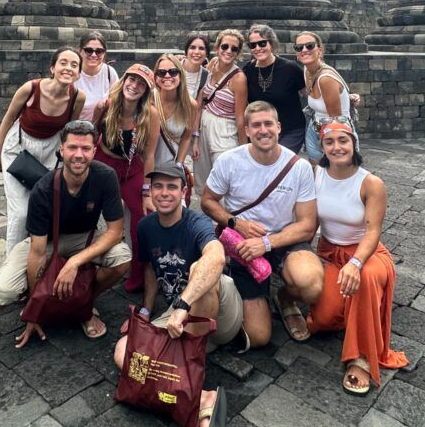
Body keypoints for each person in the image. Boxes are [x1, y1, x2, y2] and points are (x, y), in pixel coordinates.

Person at [113, 162, 237, 426]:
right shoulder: (146, 226)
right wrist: (146, 310)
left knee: (198, 270)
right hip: (178, 320)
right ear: (150, 191)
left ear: (184, 192)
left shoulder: (196, 222)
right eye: (158, 186)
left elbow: (216, 256)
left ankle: (182, 376)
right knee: (124, 352)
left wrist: (183, 304)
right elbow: (149, 268)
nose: (164, 192)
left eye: (172, 186)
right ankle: (201, 396)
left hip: (214, 312)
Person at [0, 120, 132, 344]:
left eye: (85, 148)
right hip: (46, 240)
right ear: (61, 149)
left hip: (84, 237)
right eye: (72, 147)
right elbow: (36, 251)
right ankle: (41, 299)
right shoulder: (43, 189)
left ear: (94, 151)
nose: (79, 155)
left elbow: (115, 231)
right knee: (1, 294)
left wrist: (74, 263)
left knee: (122, 257)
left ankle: (83, 304)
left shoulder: (105, 176)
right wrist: (36, 310)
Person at [201, 101, 324, 348]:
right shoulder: (229, 160)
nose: (263, 130)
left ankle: (284, 298)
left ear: (278, 127)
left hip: (283, 238)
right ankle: (253, 296)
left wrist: (266, 243)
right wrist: (237, 223)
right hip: (243, 243)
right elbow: (207, 202)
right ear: (246, 130)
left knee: (312, 286)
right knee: (258, 337)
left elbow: (308, 224)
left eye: (268, 124)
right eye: (256, 125)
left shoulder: (298, 167)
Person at [306, 118, 408, 395]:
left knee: (365, 278)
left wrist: (355, 262)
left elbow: (373, 231)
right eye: (329, 142)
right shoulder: (315, 174)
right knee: (324, 320)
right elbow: (309, 220)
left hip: (366, 253)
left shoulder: (371, 183)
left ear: (354, 144)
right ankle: (352, 312)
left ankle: (362, 357)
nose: (337, 147)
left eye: (343, 141)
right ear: (322, 146)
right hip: (330, 251)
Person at [0, 47, 87, 250]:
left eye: (74, 65)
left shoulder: (78, 97)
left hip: (51, 153)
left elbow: (69, 129)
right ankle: (13, 261)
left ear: (79, 73)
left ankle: (38, 253)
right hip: (19, 148)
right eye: (63, 63)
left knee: (45, 206)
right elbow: (9, 118)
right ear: (52, 68)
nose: (68, 68)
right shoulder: (31, 88)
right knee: (20, 213)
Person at [93, 63, 160, 292]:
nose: (134, 86)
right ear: (124, 81)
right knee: (91, 210)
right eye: (132, 80)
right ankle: (87, 262)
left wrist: (147, 190)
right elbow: (92, 135)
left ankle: (138, 271)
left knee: (142, 216)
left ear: (146, 90)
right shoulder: (106, 106)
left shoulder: (150, 113)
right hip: (105, 163)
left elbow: (149, 154)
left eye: (141, 83)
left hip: (132, 168)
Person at [193, 29, 247, 187]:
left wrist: (244, 151)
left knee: (224, 178)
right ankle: (206, 212)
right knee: (203, 180)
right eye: (225, 46)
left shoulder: (238, 79)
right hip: (204, 124)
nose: (228, 51)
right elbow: (200, 103)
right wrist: (195, 138)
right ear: (217, 48)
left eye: (234, 48)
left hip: (224, 130)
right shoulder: (212, 64)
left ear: (238, 53)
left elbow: (240, 118)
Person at [242, 24, 307, 153]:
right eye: (252, 45)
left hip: (290, 129)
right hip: (262, 130)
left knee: (280, 161)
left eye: (262, 43)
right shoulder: (248, 70)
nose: (257, 48)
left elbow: (310, 93)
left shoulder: (290, 69)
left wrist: (345, 97)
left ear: (271, 43)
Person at [295, 31, 353, 163]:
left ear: (319, 50)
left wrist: (327, 141)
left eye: (309, 46)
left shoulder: (325, 79)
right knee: (317, 173)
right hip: (314, 127)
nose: (304, 50)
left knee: (335, 171)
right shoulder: (307, 70)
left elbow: (336, 121)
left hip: (334, 131)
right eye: (299, 47)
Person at [152, 55, 197, 199]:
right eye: (161, 72)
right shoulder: (148, 98)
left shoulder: (190, 104)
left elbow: (186, 137)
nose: (167, 76)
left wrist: (179, 164)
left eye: (172, 72)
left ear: (180, 74)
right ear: (155, 76)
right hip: (145, 163)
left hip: (170, 163)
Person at [75, 31, 118, 121]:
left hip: (100, 129)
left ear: (104, 53)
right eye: (88, 51)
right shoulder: (73, 72)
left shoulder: (110, 73)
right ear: (80, 51)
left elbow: (117, 103)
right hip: (74, 128)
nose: (94, 55)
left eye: (99, 51)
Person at [181, 32, 210, 100]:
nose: (197, 52)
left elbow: (199, 106)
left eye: (201, 48)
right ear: (186, 51)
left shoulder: (206, 76)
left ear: (206, 54)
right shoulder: (173, 69)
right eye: (192, 47)